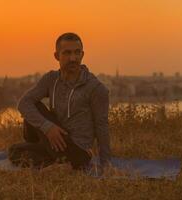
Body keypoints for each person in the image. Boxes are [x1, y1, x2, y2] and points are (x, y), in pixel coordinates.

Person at [8, 32, 111, 171]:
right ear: (57, 56)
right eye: (67, 53)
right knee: (14, 151)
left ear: (82, 55)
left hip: (77, 149)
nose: (73, 58)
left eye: (77, 52)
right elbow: (23, 103)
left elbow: (102, 126)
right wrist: (48, 127)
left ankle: (72, 162)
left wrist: (106, 165)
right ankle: (61, 166)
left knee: (36, 109)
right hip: (53, 141)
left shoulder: (96, 88)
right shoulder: (51, 79)